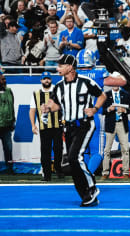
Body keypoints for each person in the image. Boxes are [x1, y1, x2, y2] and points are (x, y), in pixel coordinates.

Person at [41, 54, 106, 207]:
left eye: (61, 65)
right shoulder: (59, 86)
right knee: (72, 160)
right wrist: (48, 108)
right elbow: (56, 104)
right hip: (69, 126)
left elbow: (102, 95)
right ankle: (86, 195)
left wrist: (95, 109)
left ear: (70, 67)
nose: (58, 69)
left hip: (84, 124)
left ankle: (92, 187)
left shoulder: (85, 82)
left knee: (75, 156)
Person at [29, 71, 64, 181]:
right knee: (45, 151)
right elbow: (32, 110)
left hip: (58, 125)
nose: (46, 80)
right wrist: (33, 125)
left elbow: (63, 106)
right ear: (41, 80)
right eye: (44, 79)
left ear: (51, 79)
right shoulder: (36, 94)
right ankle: (47, 174)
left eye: (48, 78)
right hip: (44, 127)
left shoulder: (57, 91)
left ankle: (58, 169)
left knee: (58, 149)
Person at [101, 73, 130, 180]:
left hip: (122, 124)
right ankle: (105, 172)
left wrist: (124, 110)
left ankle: (125, 172)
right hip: (110, 124)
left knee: (125, 149)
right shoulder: (106, 95)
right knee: (107, 149)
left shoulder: (126, 94)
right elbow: (102, 111)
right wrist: (108, 109)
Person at [0, 72, 15, 174]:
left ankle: (9, 168)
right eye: (2, 79)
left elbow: (12, 106)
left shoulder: (9, 91)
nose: (5, 81)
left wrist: (12, 120)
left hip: (7, 126)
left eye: (4, 79)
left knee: (8, 148)